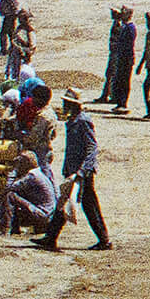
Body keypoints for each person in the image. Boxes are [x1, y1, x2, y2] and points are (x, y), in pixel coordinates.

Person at [40, 90, 112, 251]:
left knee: (87, 205)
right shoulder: (73, 121)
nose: (64, 106)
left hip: (81, 172)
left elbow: (91, 147)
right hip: (73, 170)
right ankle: (51, 237)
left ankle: (104, 239)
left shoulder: (82, 121)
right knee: (65, 201)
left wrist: (83, 170)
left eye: (67, 103)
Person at [99, 7, 137, 109]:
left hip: (122, 56)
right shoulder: (123, 25)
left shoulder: (127, 27)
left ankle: (119, 100)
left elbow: (127, 44)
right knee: (116, 77)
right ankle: (115, 98)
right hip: (119, 55)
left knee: (121, 79)